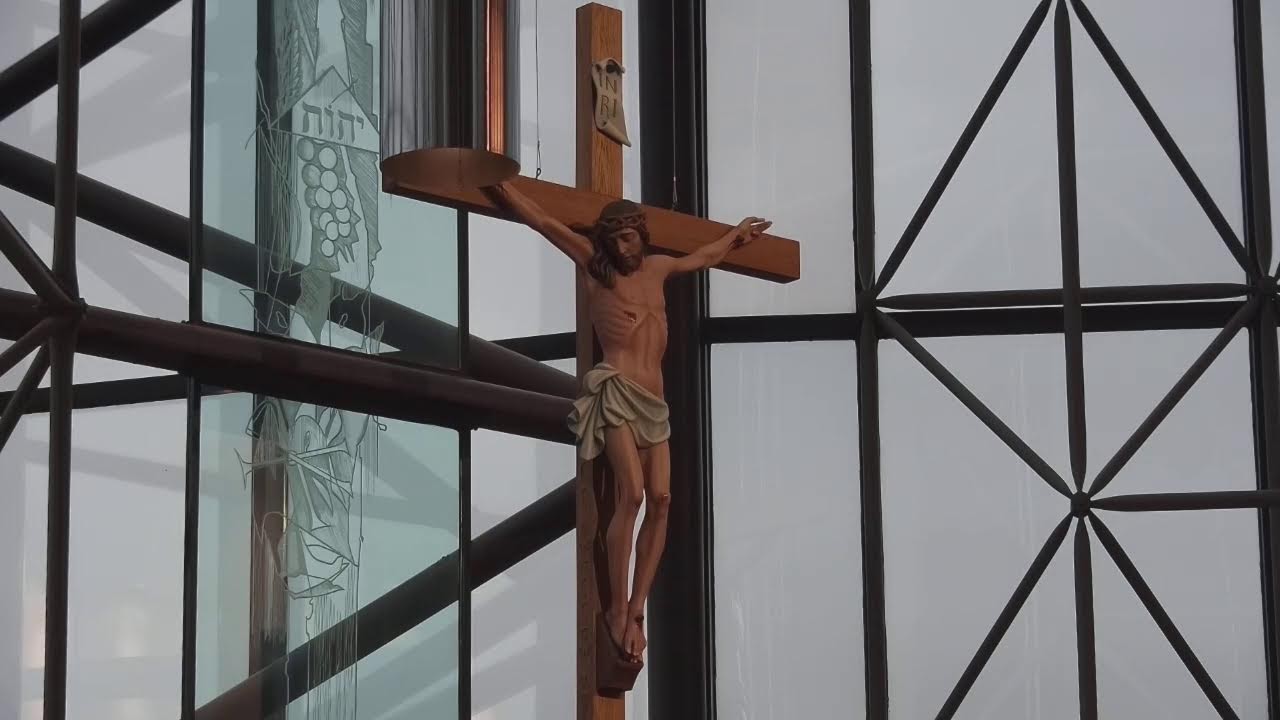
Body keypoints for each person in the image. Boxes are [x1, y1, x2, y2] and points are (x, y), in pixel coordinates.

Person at [483, 180, 770, 671]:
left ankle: (638, 607)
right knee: (631, 495)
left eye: (631, 238)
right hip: (615, 390)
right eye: (616, 240)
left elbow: (701, 259)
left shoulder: (658, 268)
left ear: (641, 236)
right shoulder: (594, 270)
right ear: (607, 242)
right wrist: (503, 187)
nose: (625, 247)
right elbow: (545, 222)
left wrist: (736, 236)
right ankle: (616, 609)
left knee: (662, 500)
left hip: (654, 403)